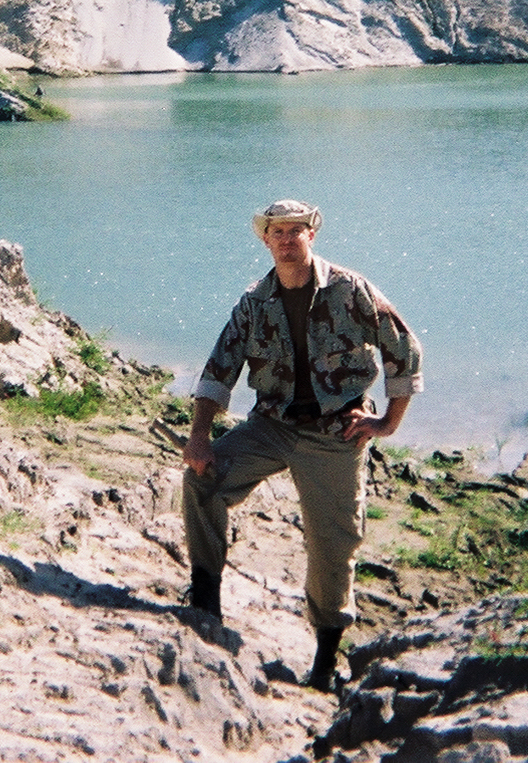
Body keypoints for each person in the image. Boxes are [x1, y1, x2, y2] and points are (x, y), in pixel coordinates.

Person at [181, 199, 424, 691]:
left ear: (312, 234)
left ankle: (324, 660)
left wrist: (387, 423)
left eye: (297, 231)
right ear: (265, 240)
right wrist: (200, 437)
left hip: (336, 433)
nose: (288, 240)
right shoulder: (255, 301)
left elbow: (405, 349)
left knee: (333, 543)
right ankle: (205, 598)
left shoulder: (349, 291)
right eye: (278, 232)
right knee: (202, 477)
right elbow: (218, 369)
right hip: (272, 425)